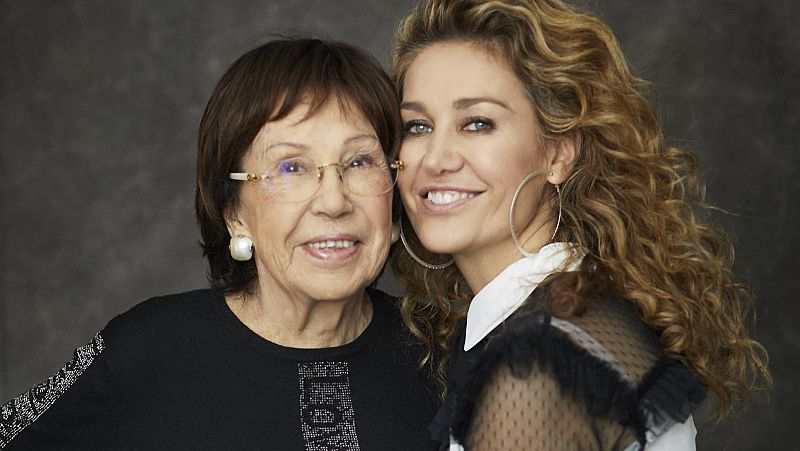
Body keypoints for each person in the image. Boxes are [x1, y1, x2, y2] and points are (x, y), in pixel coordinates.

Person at [0, 38, 440, 450]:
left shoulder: (439, 351)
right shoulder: (147, 348)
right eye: (291, 168)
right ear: (233, 212)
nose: (333, 200)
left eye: (360, 161)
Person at [389, 0, 771, 450]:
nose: (435, 159)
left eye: (477, 123)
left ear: (558, 154)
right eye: (416, 127)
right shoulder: (565, 313)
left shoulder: (539, 359)